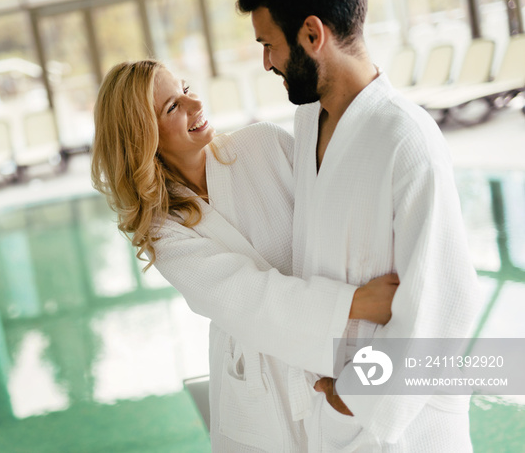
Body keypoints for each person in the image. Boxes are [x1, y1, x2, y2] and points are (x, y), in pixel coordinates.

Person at [91, 59, 400, 451]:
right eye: (172, 107)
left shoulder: (265, 144)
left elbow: (341, 220)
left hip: (337, 350)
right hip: (261, 388)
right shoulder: (163, 228)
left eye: (186, 89)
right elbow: (246, 297)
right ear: (142, 137)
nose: (195, 104)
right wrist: (354, 303)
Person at [237, 0, 481, 451]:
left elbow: (446, 303)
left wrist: (358, 392)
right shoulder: (310, 121)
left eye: (269, 44)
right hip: (333, 415)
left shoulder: (407, 140)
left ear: (312, 34)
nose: (267, 62)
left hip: (405, 429)